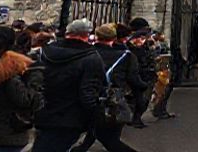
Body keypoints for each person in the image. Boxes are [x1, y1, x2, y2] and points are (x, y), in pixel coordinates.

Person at [31, 19, 105, 152]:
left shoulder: (45, 51)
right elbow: (87, 93)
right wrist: (95, 116)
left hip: (43, 110)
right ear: (87, 35)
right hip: (71, 116)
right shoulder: (91, 58)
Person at [72, 23, 144, 152]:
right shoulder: (126, 56)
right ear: (114, 38)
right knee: (110, 138)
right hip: (113, 99)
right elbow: (133, 79)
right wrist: (140, 93)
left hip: (88, 97)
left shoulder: (86, 53)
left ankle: (81, 148)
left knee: (100, 133)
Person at [127, 28, 155, 128]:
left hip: (144, 76)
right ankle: (134, 119)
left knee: (142, 100)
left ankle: (136, 118)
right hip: (137, 77)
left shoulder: (145, 48)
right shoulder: (131, 50)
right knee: (138, 100)